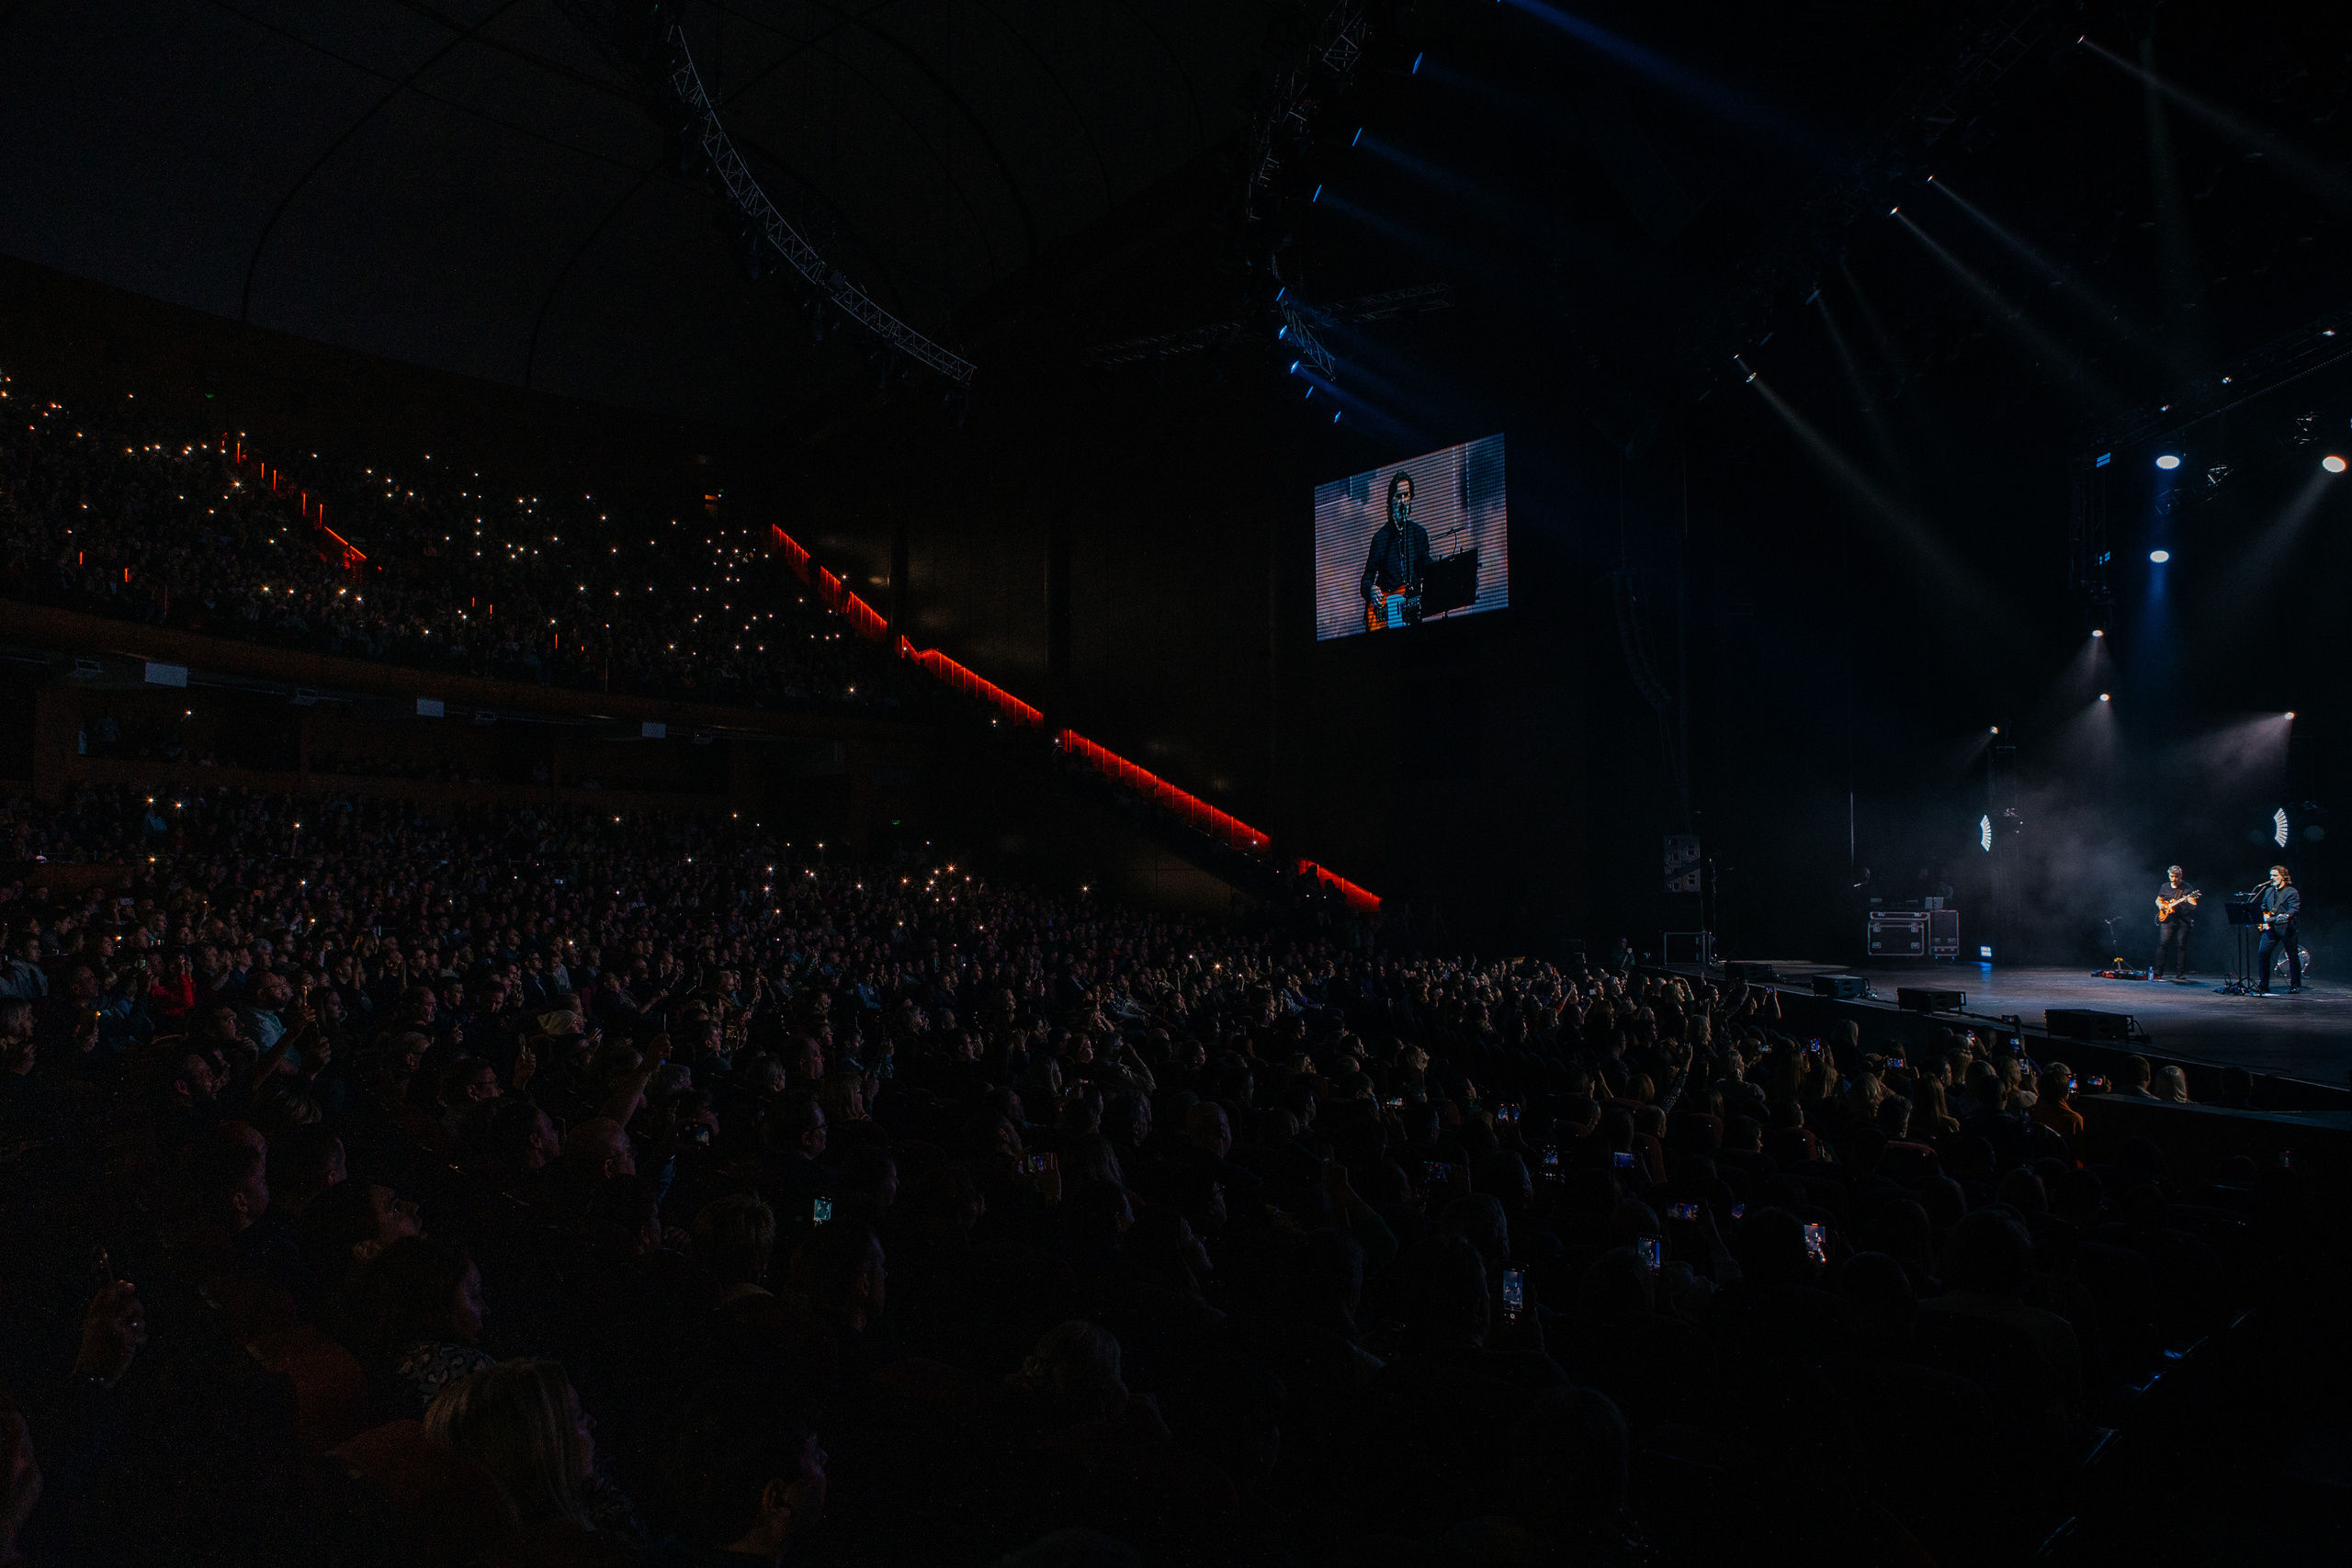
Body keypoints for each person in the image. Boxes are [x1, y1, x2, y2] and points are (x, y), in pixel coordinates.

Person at [1358, 471, 1430, 630]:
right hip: (1387, 615)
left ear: (1411, 498)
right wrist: (1371, 590)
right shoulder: (1380, 538)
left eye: (1406, 495)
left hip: (1413, 613)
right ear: (1390, 501)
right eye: (1398, 496)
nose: (1403, 501)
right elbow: (1365, 582)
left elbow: (1428, 569)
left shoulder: (1419, 534)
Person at [2254, 864, 2301, 994]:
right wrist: (2265, 919)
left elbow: (2293, 909)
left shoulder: (2291, 892)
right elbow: (2263, 907)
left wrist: (2285, 916)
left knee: (2292, 956)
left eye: (2275, 876)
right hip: (2271, 928)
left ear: (2283, 877)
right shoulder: (2268, 891)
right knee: (2263, 954)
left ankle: (2295, 984)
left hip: (2286, 927)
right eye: (2271, 876)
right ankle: (2263, 985)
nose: (2272, 878)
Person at [2151, 865, 2199, 980]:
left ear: (2180, 876)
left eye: (2175, 877)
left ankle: (2180, 973)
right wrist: (2160, 905)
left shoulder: (2187, 888)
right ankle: (2158, 971)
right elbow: (2158, 899)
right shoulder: (2165, 887)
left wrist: (2186, 902)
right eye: (2171, 876)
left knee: (2181, 945)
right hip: (2168, 920)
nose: (2173, 879)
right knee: (2163, 944)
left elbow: (2194, 905)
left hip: (2183, 920)